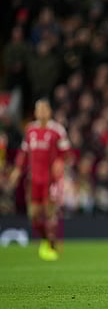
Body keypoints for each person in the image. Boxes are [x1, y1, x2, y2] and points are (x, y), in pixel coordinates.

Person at [7, 99, 71, 261]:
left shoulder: (57, 130)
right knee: (34, 215)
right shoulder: (30, 130)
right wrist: (17, 171)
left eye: (44, 109)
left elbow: (66, 152)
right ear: (35, 112)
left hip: (51, 180)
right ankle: (45, 240)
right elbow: (23, 153)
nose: (42, 112)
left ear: (49, 112)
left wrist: (60, 162)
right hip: (34, 178)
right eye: (39, 109)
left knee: (49, 213)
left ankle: (51, 245)